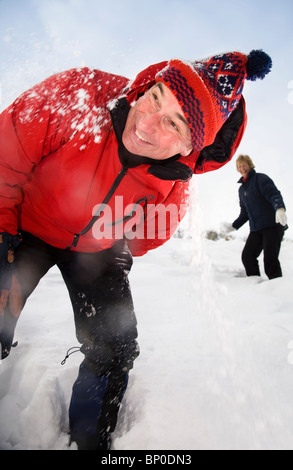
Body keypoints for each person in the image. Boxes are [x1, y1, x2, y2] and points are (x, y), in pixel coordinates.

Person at [0, 49, 272, 450]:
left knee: (114, 347)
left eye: (174, 123)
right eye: (156, 97)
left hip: (95, 250)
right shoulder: (80, 94)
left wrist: (113, 243)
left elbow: (145, 240)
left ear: (189, 146)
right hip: (22, 223)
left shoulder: (174, 188)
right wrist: (4, 238)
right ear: (147, 84)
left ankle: (89, 442)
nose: (146, 122)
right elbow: (5, 158)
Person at [223, 154, 287, 279]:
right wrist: (233, 227)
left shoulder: (260, 179)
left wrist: (279, 208)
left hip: (272, 225)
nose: (242, 168)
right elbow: (244, 213)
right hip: (257, 229)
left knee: (270, 259)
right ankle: (255, 285)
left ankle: (277, 288)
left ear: (250, 165)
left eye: (244, 165)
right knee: (247, 256)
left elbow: (273, 194)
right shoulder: (242, 190)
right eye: (239, 166)